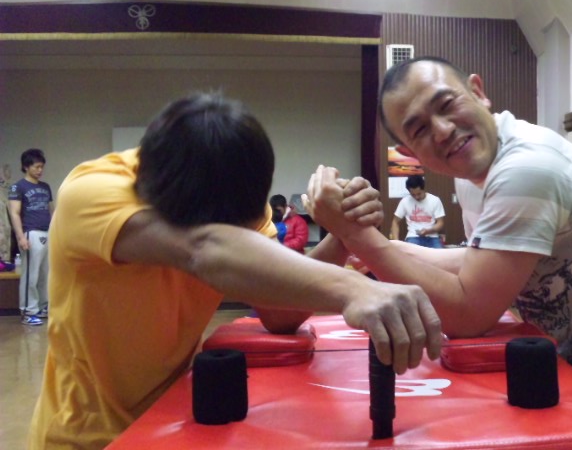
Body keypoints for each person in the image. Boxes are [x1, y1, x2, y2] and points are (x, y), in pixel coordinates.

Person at [304, 57, 572, 450]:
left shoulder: (526, 168)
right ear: (411, 152)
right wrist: (385, 248)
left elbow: (469, 314)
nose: (443, 130)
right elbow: (480, 262)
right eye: (420, 129)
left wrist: (358, 238)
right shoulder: (472, 174)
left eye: (446, 104)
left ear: (478, 92)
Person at [27, 93, 442, 450]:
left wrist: (342, 232)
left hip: (174, 421)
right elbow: (204, 249)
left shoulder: (237, 196)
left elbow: (279, 314)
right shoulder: (91, 192)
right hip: (86, 438)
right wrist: (353, 287)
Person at [8, 148, 53, 326]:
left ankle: (42, 307)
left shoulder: (45, 187)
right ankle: (28, 311)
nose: (40, 170)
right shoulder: (18, 187)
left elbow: (51, 211)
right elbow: (14, 213)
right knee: (30, 275)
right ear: (26, 167)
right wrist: (21, 237)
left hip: (47, 233)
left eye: (42, 167)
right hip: (30, 233)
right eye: (36, 167)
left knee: (45, 274)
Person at [390, 175, 445, 248]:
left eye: (419, 194)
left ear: (423, 189)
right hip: (413, 236)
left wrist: (428, 231)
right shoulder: (405, 201)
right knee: (409, 253)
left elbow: (440, 223)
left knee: (439, 254)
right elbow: (395, 222)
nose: (416, 197)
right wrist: (396, 243)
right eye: (413, 195)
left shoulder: (435, 200)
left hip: (432, 236)